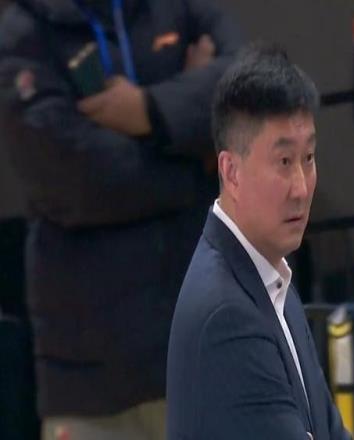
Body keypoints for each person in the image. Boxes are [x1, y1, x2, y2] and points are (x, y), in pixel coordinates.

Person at [0, 0, 242, 439]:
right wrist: (197, 156)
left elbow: (250, 91)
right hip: (95, 383)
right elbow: (76, 179)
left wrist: (149, 110)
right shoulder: (24, 31)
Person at [167, 43, 352, 440]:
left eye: (309, 158)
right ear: (231, 172)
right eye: (284, 162)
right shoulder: (227, 315)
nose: (301, 188)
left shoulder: (269, 278)